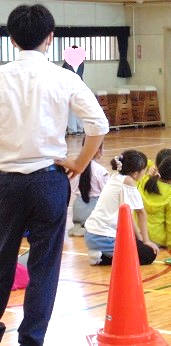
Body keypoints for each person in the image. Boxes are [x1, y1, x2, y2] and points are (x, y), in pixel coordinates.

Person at [0, 4, 109, 345]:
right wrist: (78, 163)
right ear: (50, 38)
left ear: (13, 39)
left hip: (5, 183)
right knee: (44, 268)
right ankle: (31, 339)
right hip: (49, 180)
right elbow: (99, 125)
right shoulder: (64, 78)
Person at [84, 150, 159, 266]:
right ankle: (103, 258)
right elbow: (141, 213)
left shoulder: (116, 177)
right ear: (135, 173)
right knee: (149, 254)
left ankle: (104, 254)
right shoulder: (128, 182)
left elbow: (128, 214)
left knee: (140, 247)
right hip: (105, 237)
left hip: (91, 234)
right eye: (144, 169)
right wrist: (146, 241)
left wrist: (139, 239)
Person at [137, 156, 171, 251]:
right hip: (157, 237)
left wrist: (151, 165)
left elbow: (144, 160)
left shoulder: (143, 180)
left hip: (138, 231)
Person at [68, 140, 109, 236]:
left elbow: (73, 188)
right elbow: (106, 192)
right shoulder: (101, 170)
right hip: (94, 210)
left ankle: (78, 227)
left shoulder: (74, 168)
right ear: (98, 150)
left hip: (77, 208)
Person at [62, 45, 85, 136]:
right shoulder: (66, 64)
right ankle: (72, 130)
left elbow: (81, 75)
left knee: (80, 108)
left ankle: (80, 128)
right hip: (68, 88)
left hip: (79, 87)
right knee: (71, 110)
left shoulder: (81, 63)